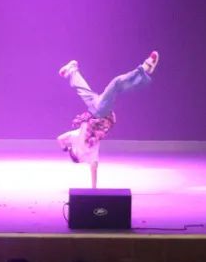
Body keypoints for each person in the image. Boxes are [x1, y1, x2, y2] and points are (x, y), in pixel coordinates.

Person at [56, 52, 159, 188]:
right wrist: (65, 148)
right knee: (115, 84)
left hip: (95, 109)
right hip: (100, 111)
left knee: (86, 89)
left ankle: (73, 69)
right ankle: (144, 69)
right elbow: (60, 139)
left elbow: (92, 167)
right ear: (75, 154)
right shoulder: (83, 147)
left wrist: (93, 188)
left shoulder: (84, 147)